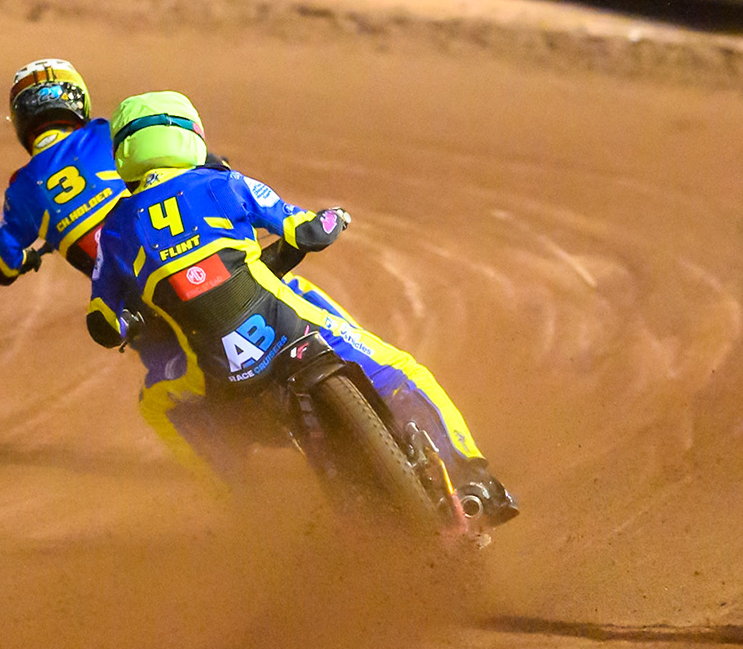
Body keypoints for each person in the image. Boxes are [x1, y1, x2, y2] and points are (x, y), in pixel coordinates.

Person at [81, 90, 514, 523]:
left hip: (223, 377)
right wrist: (333, 219)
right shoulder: (222, 183)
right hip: (286, 325)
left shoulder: (116, 228)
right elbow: (302, 224)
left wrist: (127, 323)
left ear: (123, 152)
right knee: (401, 369)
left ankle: (241, 507)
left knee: (157, 402)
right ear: (191, 133)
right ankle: (474, 480)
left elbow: (102, 317)